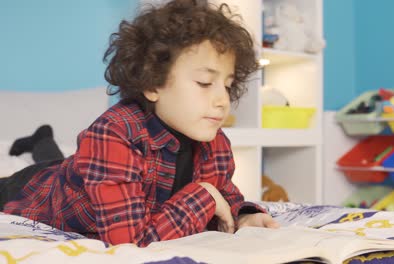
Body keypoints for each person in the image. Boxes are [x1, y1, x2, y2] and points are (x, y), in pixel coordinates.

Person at [1, 0, 279, 247]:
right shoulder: (113, 134)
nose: (222, 100)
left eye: (227, 86)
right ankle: (41, 141)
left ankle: (40, 139)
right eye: (205, 83)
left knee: (57, 160)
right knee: (42, 173)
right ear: (152, 84)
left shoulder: (214, 141)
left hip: (80, 171)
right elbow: (129, 243)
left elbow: (226, 195)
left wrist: (245, 216)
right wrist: (203, 195)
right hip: (34, 189)